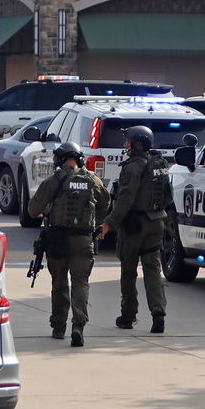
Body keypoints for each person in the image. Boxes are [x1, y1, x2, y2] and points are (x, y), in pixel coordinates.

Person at [28, 141, 109, 348]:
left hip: (57, 239)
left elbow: (32, 209)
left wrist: (45, 211)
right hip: (83, 239)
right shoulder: (92, 179)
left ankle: (58, 327)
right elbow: (105, 202)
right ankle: (78, 326)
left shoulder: (54, 180)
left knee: (60, 283)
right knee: (80, 282)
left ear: (60, 159)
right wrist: (96, 222)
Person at [99, 125, 169, 334]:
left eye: (128, 141)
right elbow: (168, 197)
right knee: (153, 270)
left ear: (137, 143)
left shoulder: (132, 167)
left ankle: (128, 316)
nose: (125, 145)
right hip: (157, 223)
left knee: (128, 271)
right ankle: (159, 314)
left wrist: (109, 223)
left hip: (134, 226)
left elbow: (125, 199)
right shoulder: (160, 164)